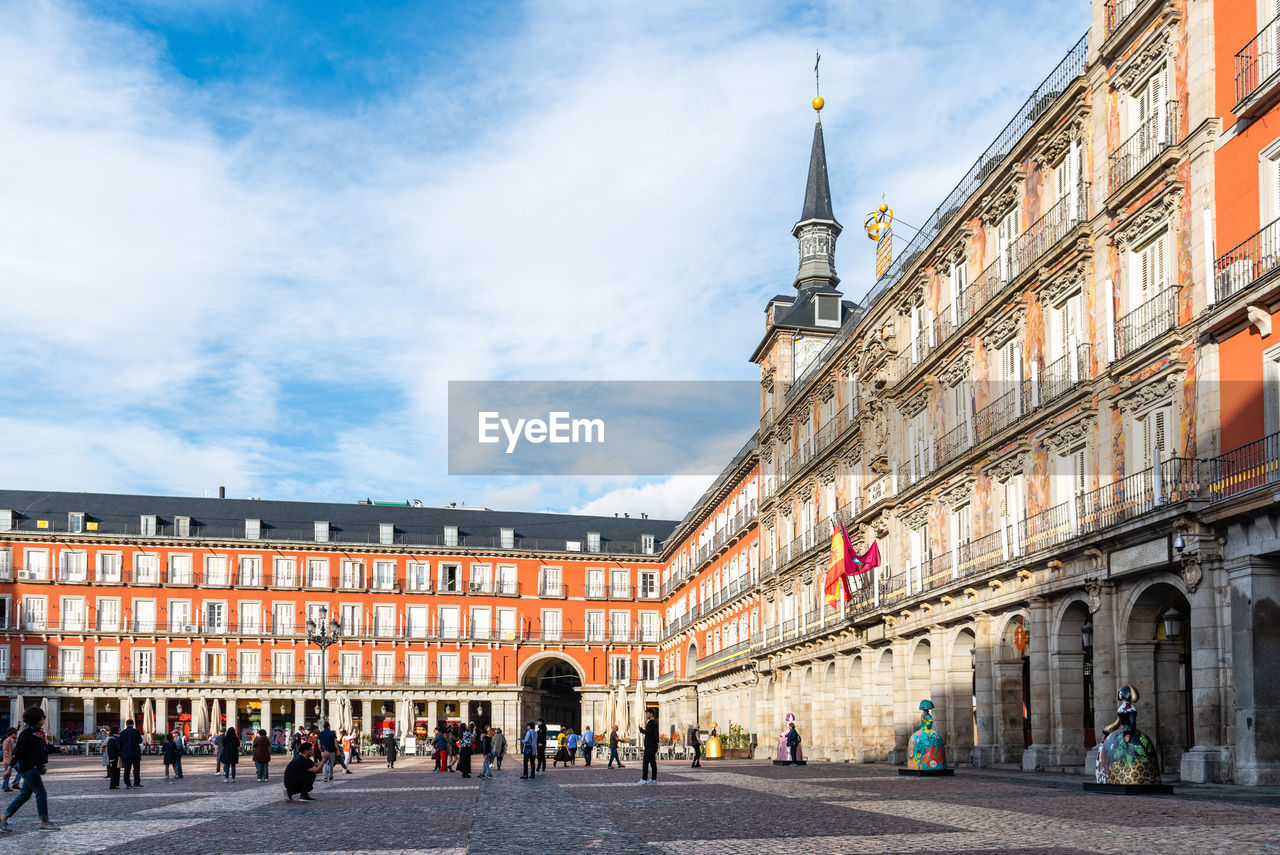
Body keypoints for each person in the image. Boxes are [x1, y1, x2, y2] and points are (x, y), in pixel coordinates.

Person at [0, 705, 58, 832]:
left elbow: (45, 748)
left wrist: (59, 749)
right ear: (37, 719)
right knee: (41, 793)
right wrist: (9, 769)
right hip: (29, 768)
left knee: (24, 795)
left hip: (35, 768)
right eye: (43, 717)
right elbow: (18, 753)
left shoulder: (37, 733)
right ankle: (44, 821)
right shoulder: (26, 734)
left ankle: (3, 818)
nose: (44, 719)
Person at [119, 718, 143, 789]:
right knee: (136, 769)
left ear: (126, 724)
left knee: (127, 769)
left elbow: (120, 742)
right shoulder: (136, 731)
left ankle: (127, 783)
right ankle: (136, 782)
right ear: (133, 724)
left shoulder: (123, 732)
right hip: (135, 753)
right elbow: (140, 741)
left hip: (126, 753)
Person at [639, 708, 658, 785]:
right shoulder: (655, 722)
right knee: (653, 763)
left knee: (645, 762)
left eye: (647, 713)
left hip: (650, 746)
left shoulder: (650, 722)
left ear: (651, 714)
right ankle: (653, 779)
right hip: (653, 745)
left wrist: (641, 730)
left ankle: (644, 779)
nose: (646, 715)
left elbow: (648, 732)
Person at [1, 728, 16, 792]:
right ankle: (8, 786)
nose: (16, 734)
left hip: (12, 759)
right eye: (15, 733)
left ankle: (7, 786)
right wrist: (8, 758)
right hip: (9, 760)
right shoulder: (7, 740)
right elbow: (5, 750)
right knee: (8, 774)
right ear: (12, 734)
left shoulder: (11, 740)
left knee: (9, 774)